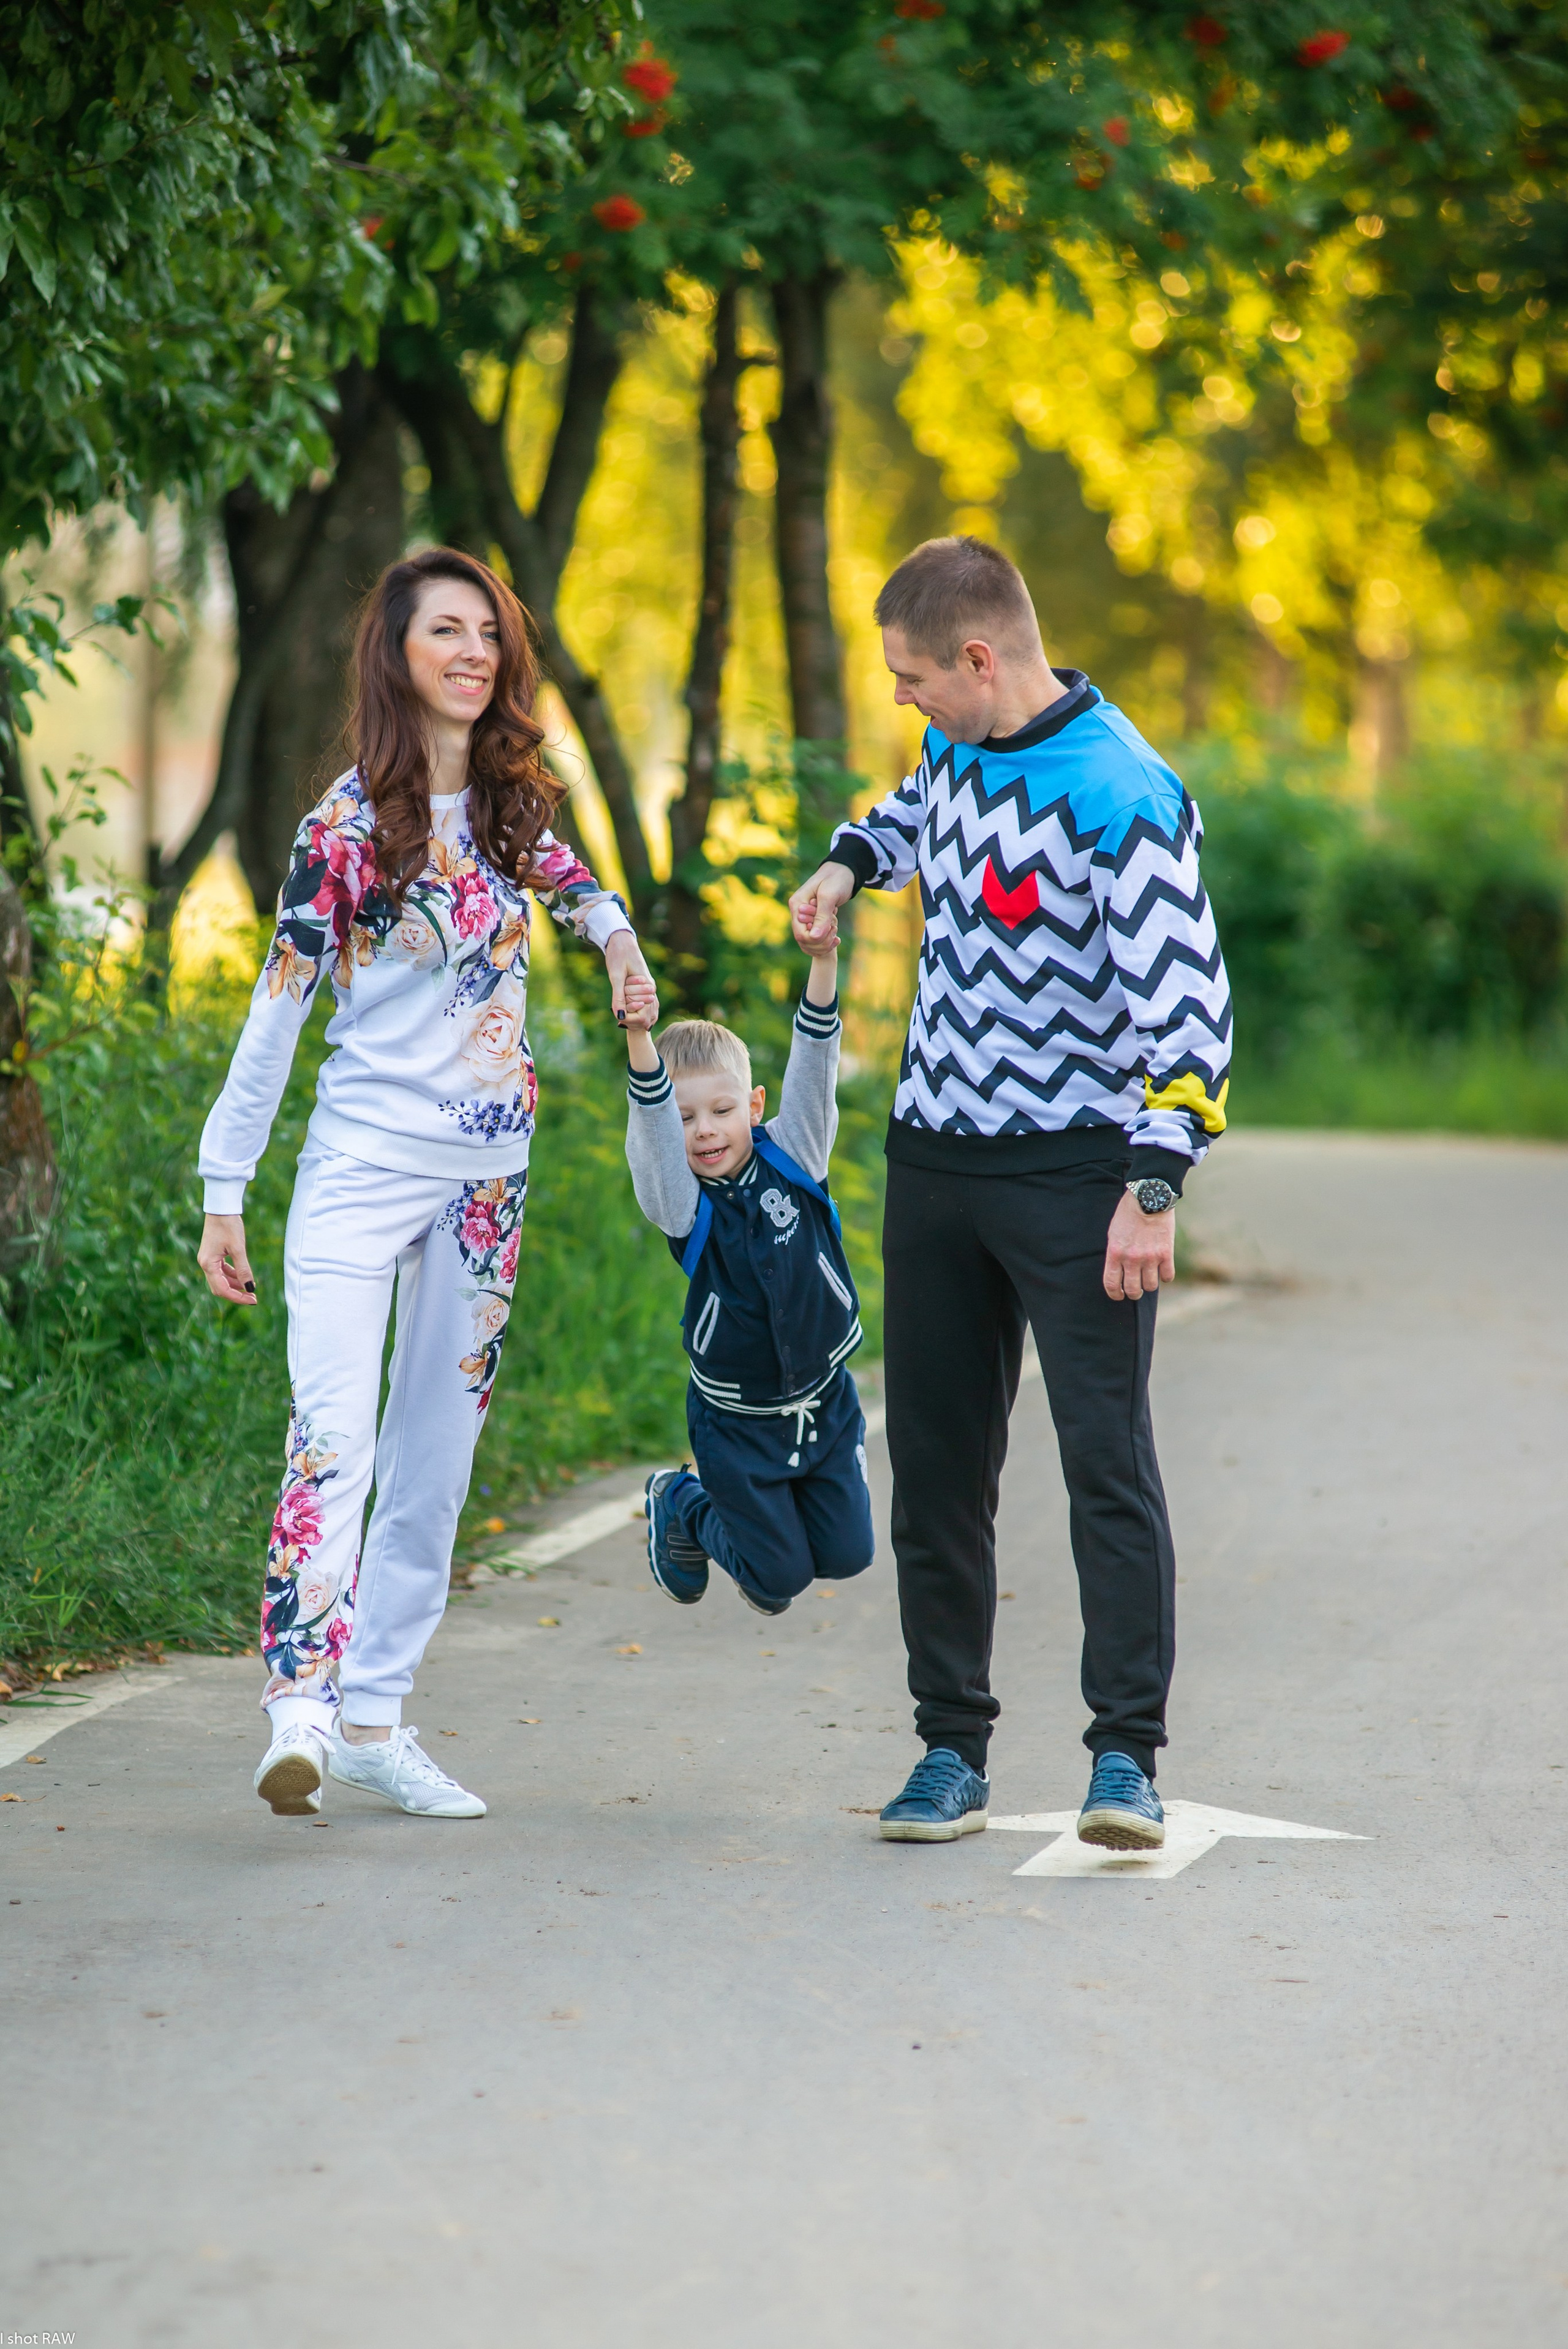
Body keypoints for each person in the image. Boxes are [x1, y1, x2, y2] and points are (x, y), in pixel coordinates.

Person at [197, 547, 654, 1822]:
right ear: (395, 657)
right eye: (443, 631)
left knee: (434, 1463)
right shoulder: (342, 830)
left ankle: (377, 1720)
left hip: (484, 1187)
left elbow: (578, 888)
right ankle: (299, 1710)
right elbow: (276, 1013)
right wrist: (222, 1185)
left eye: (487, 634)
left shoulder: (515, 806)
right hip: (358, 1168)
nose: (471, 652)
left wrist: (619, 947)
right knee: (333, 1436)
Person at [789, 535, 1232, 1850]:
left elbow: (1190, 1014)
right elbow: (909, 812)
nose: (903, 700)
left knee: (1104, 1461)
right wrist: (842, 866)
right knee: (932, 1469)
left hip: (1074, 1173)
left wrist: (1151, 1187)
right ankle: (948, 1750)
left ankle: (1123, 1762)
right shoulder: (961, 751)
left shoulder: (1120, 793)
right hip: (935, 1161)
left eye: (913, 677)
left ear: (979, 660)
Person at [621, 920, 875, 1618]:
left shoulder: (795, 1156)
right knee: (775, 1581)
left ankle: (784, 1517)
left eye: (721, 1110)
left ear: (753, 1106)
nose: (704, 1129)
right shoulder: (684, 1205)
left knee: (850, 1555)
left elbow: (817, 1060)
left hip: (824, 1405)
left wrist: (824, 957)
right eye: (687, 1118)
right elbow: (650, 1127)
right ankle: (682, 1501)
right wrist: (639, 1036)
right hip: (735, 1423)